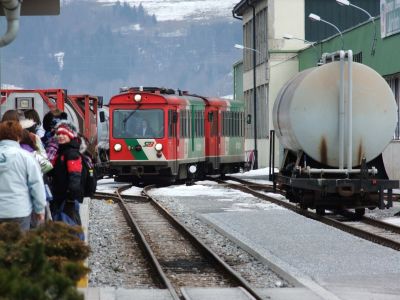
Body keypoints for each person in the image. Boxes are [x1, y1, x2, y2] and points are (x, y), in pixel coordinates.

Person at [0, 121, 46, 231]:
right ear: (19, 136)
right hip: (19, 209)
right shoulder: (27, 157)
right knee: (19, 246)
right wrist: (40, 209)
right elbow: (36, 184)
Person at [49, 120, 83, 228]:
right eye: (58, 134)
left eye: (64, 134)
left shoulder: (71, 153)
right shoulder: (61, 152)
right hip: (60, 197)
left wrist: (71, 197)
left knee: (70, 225)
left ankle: (75, 244)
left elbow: (75, 176)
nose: (60, 136)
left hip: (67, 199)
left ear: (70, 135)